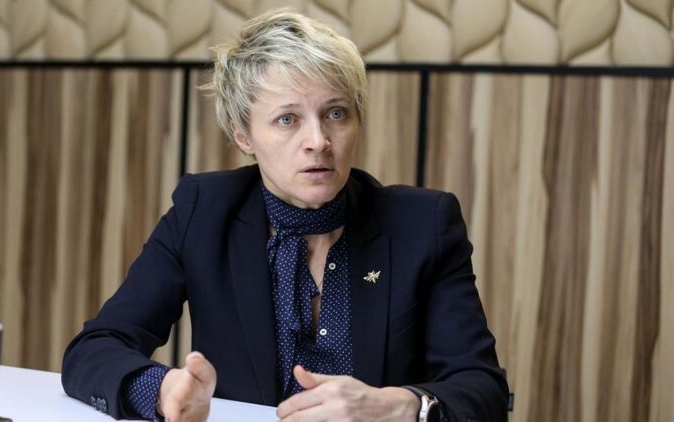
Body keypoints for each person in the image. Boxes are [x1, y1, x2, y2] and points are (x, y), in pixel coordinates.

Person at [62, 8, 509, 422]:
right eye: (287, 119)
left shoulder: (423, 223)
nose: (319, 141)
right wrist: (162, 391)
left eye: (336, 113)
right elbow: (94, 349)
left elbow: (483, 388)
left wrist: (400, 405)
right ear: (243, 136)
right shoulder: (204, 211)